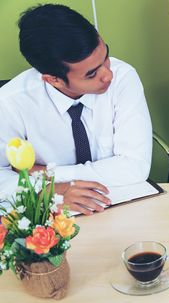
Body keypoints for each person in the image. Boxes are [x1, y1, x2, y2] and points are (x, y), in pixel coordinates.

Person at [0, 4, 153, 216]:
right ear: (53, 79)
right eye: (91, 74)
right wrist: (49, 192)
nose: (107, 75)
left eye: (105, 56)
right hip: (47, 217)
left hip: (118, 205)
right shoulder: (10, 102)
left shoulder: (123, 77)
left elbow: (135, 167)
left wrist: (47, 175)